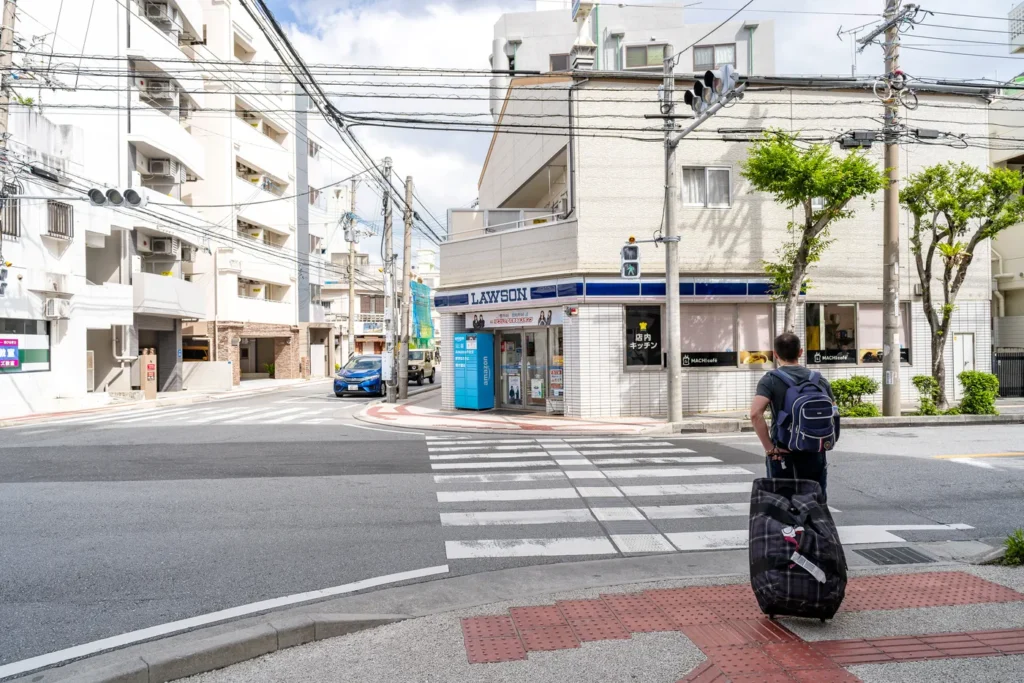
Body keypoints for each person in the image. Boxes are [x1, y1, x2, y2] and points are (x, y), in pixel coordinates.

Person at [749, 332, 836, 498]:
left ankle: (789, 525)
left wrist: (769, 448)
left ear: (775, 354)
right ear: (801, 352)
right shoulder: (818, 379)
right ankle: (812, 524)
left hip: (782, 449)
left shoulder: (770, 380)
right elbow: (832, 411)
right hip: (814, 448)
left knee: (783, 501)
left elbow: (755, 414)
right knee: (814, 501)